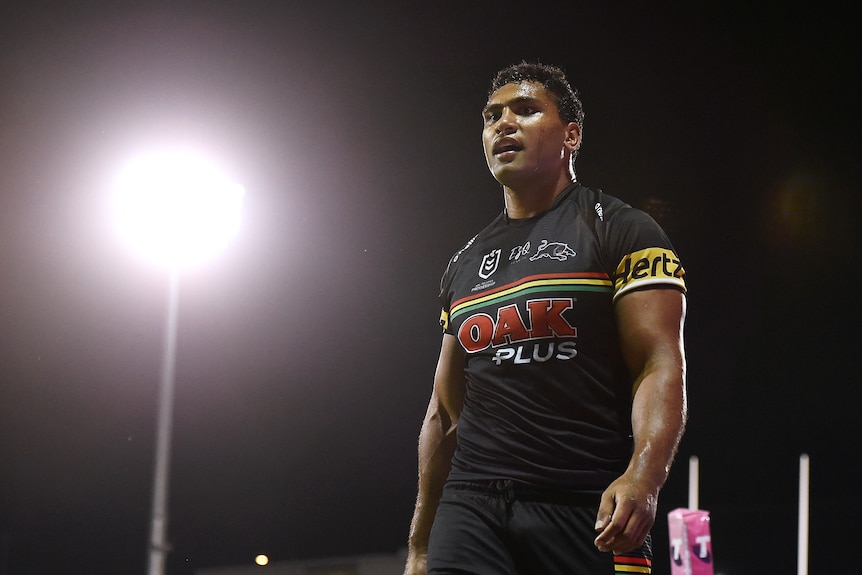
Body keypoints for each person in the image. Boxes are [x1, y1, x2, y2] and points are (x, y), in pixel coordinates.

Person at [404, 61, 688, 575]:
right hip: (471, 507)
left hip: (585, 504)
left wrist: (643, 478)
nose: (503, 124)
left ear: (572, 135)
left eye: (526, 110)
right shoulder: (464, 263)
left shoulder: (624, 230)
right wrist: (421, 544)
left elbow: (658, 364)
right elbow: (443, 414)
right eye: (492, 117)